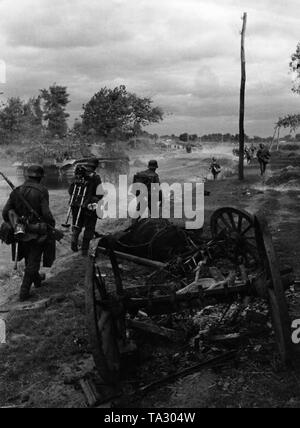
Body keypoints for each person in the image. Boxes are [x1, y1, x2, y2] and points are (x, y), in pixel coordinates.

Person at [2, 165, 56, 301]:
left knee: (30, 258)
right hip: (36, 232)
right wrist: (51, 226)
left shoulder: (17, 190)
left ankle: (37, 280)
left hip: (20, 231)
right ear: (40, 177)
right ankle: (24, 292)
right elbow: (46, 214)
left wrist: (17, 223)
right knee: (33, 261)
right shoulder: (42, 190)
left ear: (28, 176)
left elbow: (5, 212)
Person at [69, 158, 102, 256]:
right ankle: (84, 249)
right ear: (95, 166)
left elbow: (70, 191)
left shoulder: (78, 175)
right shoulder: (95, 177)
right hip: (89, 206)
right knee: (89, 227)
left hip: (76, 205)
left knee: (76, 223)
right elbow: (100, 193)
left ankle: (74, 242)